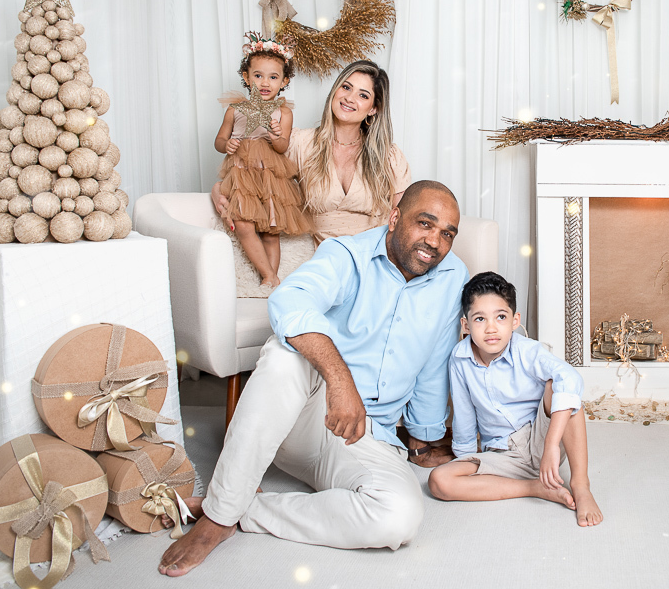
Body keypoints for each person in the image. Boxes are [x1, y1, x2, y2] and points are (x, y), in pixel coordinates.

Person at [159, 180, 465, 577]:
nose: (435, 241)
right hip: (303, 419)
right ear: (394, 218)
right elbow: (289, 301)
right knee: (284, 356)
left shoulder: (451, 276)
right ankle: (218, 517)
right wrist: (340, 380)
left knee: (399, 518)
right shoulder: (346, 254)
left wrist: (424, 437)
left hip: (368, 437)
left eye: (447, 233)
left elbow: (435, 360)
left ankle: (242, 509)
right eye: (425, 223)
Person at [427, 272, 604, 527]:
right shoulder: (459, 359)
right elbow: (464, 414)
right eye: (480, 319)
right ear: (466, 325)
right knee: (439, 481)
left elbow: (570, 378)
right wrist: (466, 459)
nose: (491, 328)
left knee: (558, 387)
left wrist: (551, 445)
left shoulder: (527, 350)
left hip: (542, 442)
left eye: (500, 317)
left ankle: (581, 485)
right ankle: (534, 488)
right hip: (501, 455)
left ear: (514, 321)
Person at [213, 59, 410, 248]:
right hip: (328, 258)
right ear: (335, 91)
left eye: (363, 95)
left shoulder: (389, 155)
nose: (349, 98)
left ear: (373, 109)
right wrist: (218, 188)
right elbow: (255, 173)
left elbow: (406, 219)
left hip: (376, 252)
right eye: (346, 87)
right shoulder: (301, 144)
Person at [213, 32, 310, 287]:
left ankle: (270, 280)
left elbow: (282, 147)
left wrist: (276, 135)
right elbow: (219, 141)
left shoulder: (283, 112)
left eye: (273, 77)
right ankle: (269, 275)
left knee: (270, 230)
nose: (265, 82)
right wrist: (227, 144)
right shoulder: (235, 109)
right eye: (258, 75)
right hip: (242, 175)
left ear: (284, 81)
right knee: (243, 225)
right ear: (247, 77)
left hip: (270, 177)